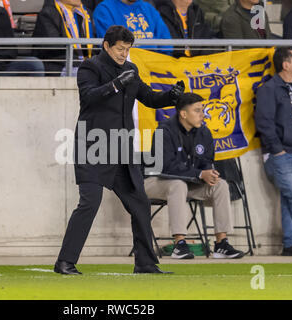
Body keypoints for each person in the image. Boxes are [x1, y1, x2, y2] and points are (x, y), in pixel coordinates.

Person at [54, 25, 185, 275]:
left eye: (127, 49)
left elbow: (148, 98)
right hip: (94, 147)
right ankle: (65, 262)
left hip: (122, 150)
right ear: (106, 46)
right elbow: (89, 97)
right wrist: (115, 84)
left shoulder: (131, 69)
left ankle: (145, 264)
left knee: (139, 204)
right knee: (89, 203)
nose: (124, 54)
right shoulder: (90, 67)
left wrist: (172, 97)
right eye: (119, 49)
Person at [144, 93, 245, 259]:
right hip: (155, 182)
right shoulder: (164, 130)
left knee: (220, 185)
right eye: (197, 110)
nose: (202, 114)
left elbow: (206, 161)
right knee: (177, 184)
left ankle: (221, 243)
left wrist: (209, 173)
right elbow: (166, 167)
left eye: (202, 110)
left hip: (187, 183)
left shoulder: (204, 132)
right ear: (184, 114)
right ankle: (180, 244)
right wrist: (199, 173)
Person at [255, 47, 292, 256]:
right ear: (286, 64)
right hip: (280, 155)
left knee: (290, 198)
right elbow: (264, 122)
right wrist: (278, 151)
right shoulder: (268, 89)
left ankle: (290, 244)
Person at [33, 0, 94, 77]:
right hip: (59, 65)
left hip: (83, 65)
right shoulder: (47, 14)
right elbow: (54, 50)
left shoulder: (86, 13)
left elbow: (94, 49)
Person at [93, 0, 173, 55]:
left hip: (155, 67)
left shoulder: (149, 9)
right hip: (125, 67)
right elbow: (112, 50)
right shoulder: (104, 9)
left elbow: (166, 46)